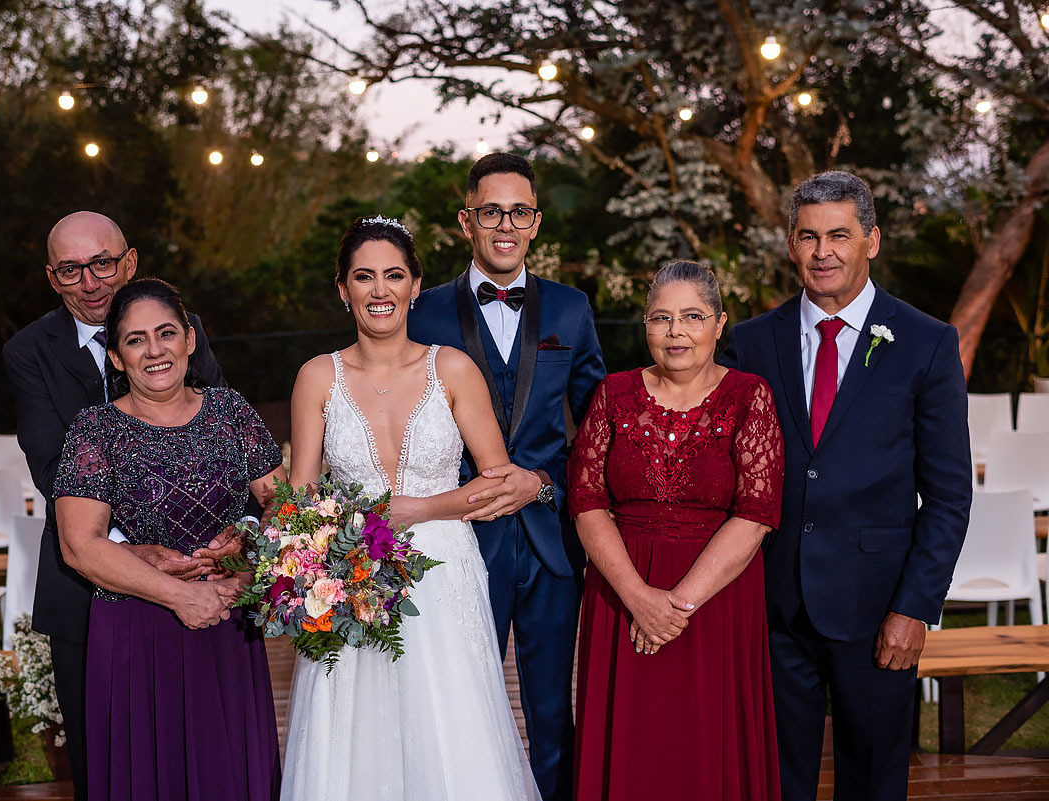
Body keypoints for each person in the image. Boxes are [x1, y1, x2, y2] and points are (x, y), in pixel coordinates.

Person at [725, 171, 972, 800]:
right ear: (790, 244)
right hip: (770, 605)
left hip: (878, 608)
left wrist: (915, 607)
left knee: (873, 779)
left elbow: (948, 496)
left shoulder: (926, 342)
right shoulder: (752, 341)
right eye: (808, 237)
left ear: (872, 241)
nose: (822, 251)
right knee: (775, 779)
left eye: (839, 235)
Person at [283, 215, 541, 801]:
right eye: (364, 277)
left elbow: (498, 487)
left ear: (416, 285)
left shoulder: (451, 367)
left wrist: (418, 509)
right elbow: (299, 505)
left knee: (454, 727)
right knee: (355, 730)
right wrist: (315, 560)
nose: (380, 290)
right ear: (341, 288)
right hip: (349, 579)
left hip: (445, 573)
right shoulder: (315, 377)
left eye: (393, 275)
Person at [2, 211, 239, 797]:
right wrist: (125, 551)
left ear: (129, 261)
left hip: (196, 564)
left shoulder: (187, 331)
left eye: (103, 263)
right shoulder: (28, 351)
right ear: (51, 278)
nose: (91, 282)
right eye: (71, 270)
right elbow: (50, 462)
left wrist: (229, 538)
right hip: (85, 586)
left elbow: (220, 439)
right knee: (104, 760)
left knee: (205, 748)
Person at [407, 153, 606, 801]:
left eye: (518, 211)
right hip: (457, 544)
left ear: (536, 223)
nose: (505, 224)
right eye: (491, 210)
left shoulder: (572, 310)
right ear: (467, 221)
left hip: (550, 546)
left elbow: (597, 430)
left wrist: (547, 485)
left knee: (553, 712)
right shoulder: (421, 312)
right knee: (460, 706)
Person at [53, 278, 283, 800]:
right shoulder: (94, 430)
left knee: (227, 771)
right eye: (135, 340)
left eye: (166, 333)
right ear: (115, 357)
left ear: (190, 340)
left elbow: (284, 505)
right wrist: (182, 596)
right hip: (137, 629)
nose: (154, 351)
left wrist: (250, 548)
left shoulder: (231, 411)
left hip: (226, 619)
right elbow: (79, 545)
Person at [567, 261, 784, 800]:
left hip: (716, 600)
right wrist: (639, 599)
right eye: (661, 318)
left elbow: (756, 511)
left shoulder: (748, 396)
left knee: (706, 747)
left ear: (719, 323)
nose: (676, 331)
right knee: (634, 746)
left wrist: (675, 607)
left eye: (692, 316)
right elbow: (587, 501)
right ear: (644, 325)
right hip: (622, 594)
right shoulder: (612, 395)